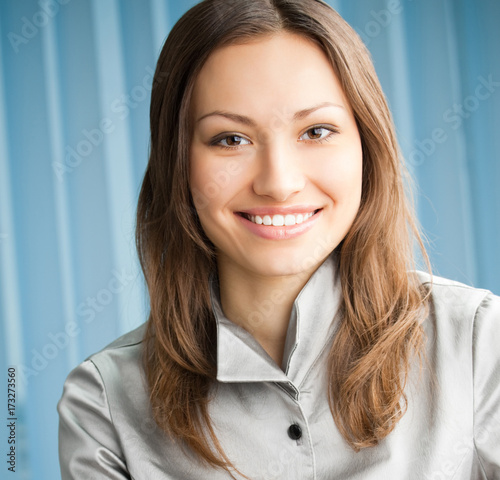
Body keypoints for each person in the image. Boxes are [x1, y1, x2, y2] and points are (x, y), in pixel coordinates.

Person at [57, 0, 500, 478]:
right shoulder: (104, 405)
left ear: (367, 147)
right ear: (177, 164)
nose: (279, 182)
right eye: (230, 139)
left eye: (316, 130)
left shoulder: (478, 345)